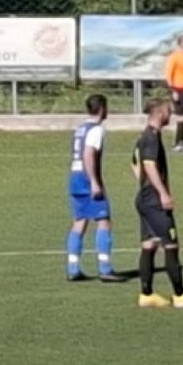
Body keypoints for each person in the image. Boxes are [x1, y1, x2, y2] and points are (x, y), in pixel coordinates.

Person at [131, 98, 183, 309]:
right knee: (171, 245)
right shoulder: (151, 138)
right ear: (159, 112)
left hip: (144, 199)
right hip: (154, 201)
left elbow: (135, 164)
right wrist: (162, 193)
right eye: (167, 110)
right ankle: (180, 295)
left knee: (149, 245)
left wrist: (144, 186)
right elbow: (148, 165)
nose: (170, 113)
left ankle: (147, 294)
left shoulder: (144, 136)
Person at [65, 94, 124, 283]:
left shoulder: (81, 128)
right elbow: (88, 154)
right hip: (86, 178)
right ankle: (105, 268)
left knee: (80, 221)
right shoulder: (96, 130)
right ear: (102, 109)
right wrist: (94, 181)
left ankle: (73, 268)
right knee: (103, 220)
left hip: (75, 177)